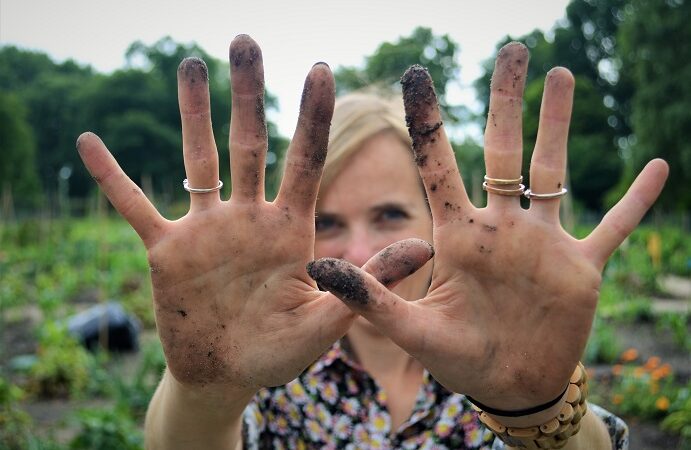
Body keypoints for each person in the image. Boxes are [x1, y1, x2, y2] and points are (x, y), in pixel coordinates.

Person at [75, 35, 668, 449]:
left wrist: (533, 408)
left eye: (388, 214)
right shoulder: (276, 371)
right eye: (326, 223)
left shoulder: (496, 349)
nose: (358, 254)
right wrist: (207, 389)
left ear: (440, 216)